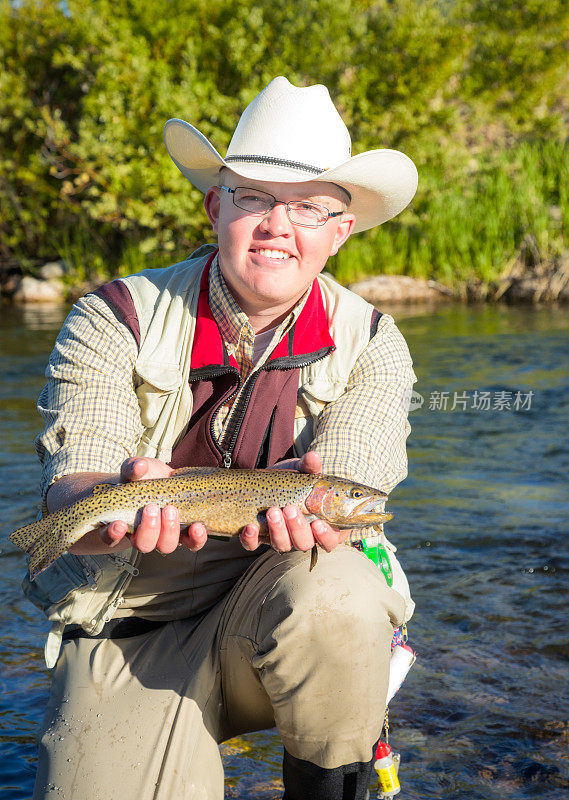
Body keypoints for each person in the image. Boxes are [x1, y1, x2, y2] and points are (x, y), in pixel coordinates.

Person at [25, 77, 418, 800]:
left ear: (342, 231)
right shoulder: (112, 317)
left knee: (338, 595)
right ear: (215, 207)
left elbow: (360, 479)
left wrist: (327, 507)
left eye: (310, 208)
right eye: (254, 198)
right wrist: (103, 509)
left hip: (286, 610)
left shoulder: (372, 342)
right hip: (133, 622)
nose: (278, 225)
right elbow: (74, 480)